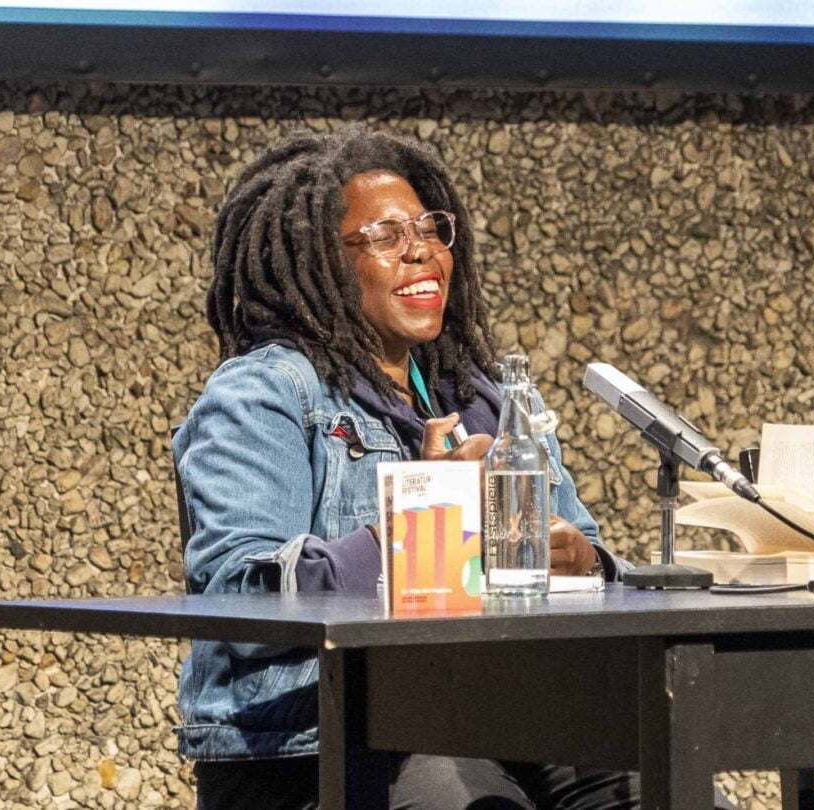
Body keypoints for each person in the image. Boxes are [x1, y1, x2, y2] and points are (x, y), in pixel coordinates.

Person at [172, 126, 694, 810]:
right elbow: (238, 598)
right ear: (321, 261)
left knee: (674, 789)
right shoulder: (264, 393)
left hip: (505, 711)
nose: (421, 249)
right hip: (320, 736)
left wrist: (585, 564)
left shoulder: (489, 398)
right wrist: (426, 521)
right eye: (387, 235)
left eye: (430, 228)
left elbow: (594, 557)